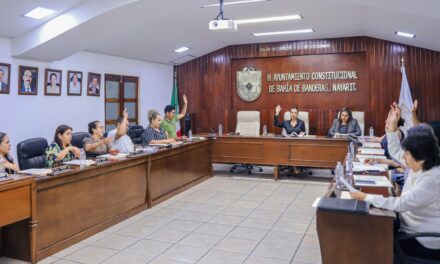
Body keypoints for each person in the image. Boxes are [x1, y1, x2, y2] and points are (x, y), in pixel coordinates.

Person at [351, 104, 440, 259]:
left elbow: (401, 204)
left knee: (375, 242)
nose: (405, 156)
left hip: (421, 239)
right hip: (408, 226)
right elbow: (396, 153)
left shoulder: (434, 176)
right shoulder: (423, 161)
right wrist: (391, 127)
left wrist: (366, 197)